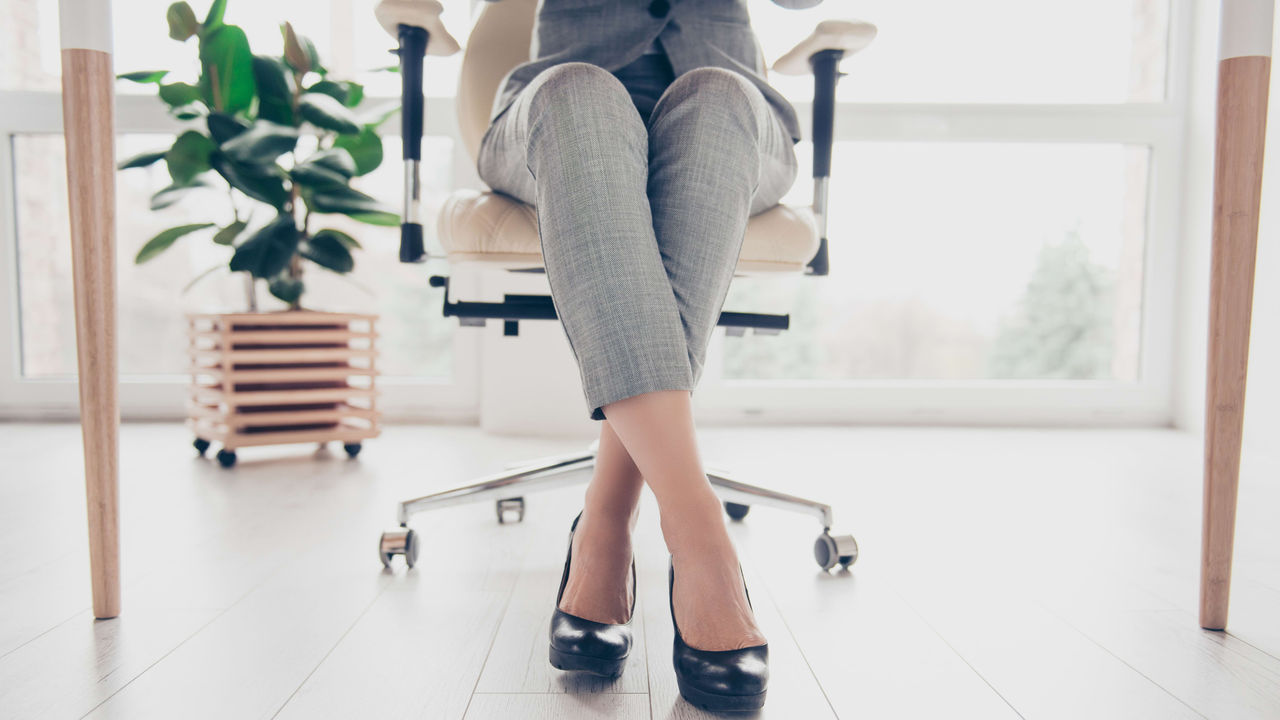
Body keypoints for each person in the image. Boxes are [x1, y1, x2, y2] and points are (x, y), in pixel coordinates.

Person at [384, 0, 824, 712]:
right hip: (556, 103)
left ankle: (607, 518)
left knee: (714, 99)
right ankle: (699, 536)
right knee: (580, 95)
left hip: (734, 108)